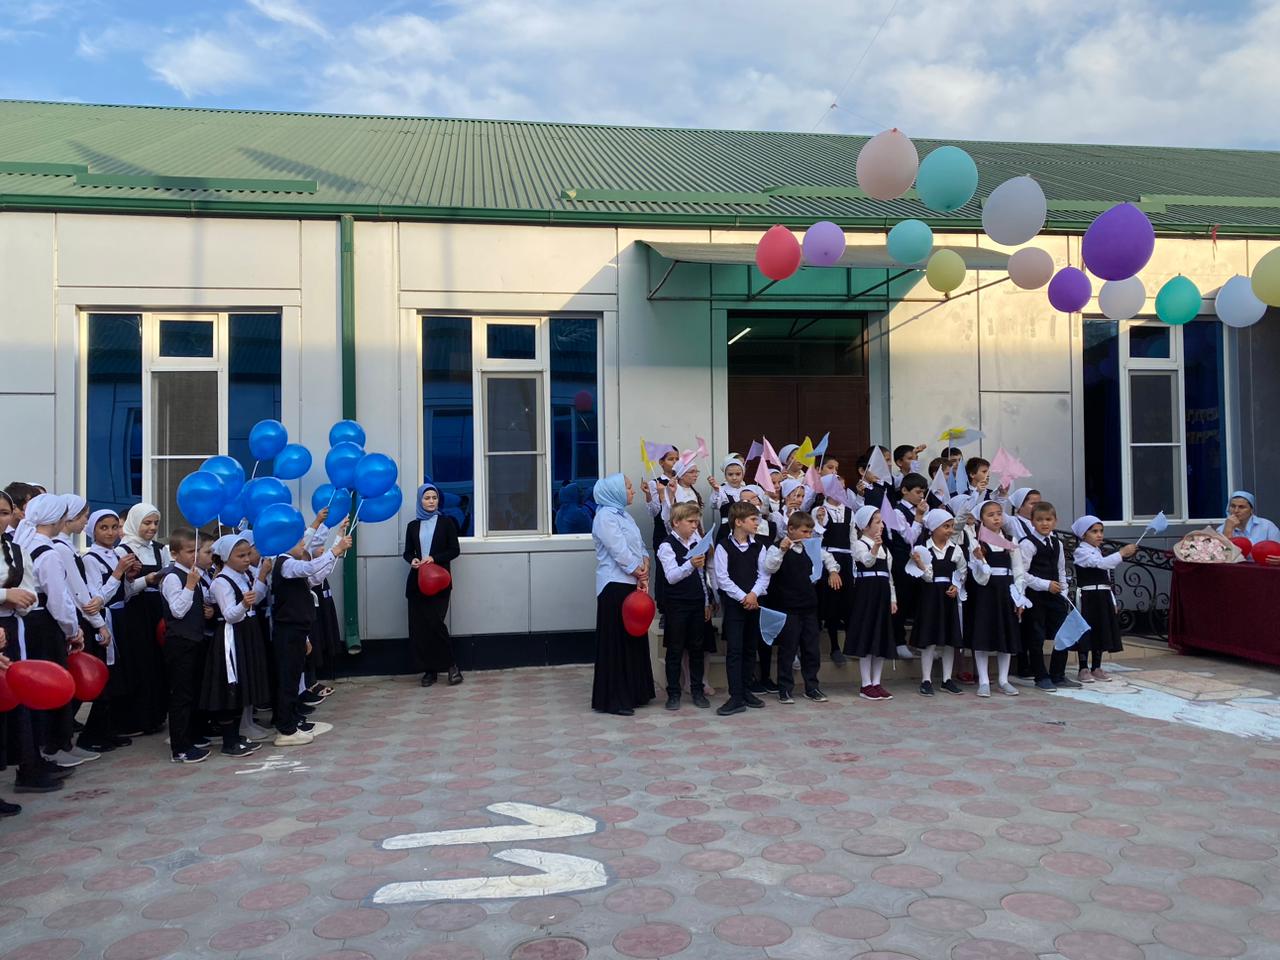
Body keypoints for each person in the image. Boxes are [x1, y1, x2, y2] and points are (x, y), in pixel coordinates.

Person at [0, 491, 65, 795]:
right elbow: (11, 593)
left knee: (18, 698)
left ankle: (27, 764)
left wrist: (19, 601)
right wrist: (5, 595)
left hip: (13, 628)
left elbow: (29, 595)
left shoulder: (16, 550)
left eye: (3, 513)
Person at [14, 494, 85, 766]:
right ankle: (56, 744)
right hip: (46, 624)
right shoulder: (48, 553)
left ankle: (43, 743)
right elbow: (59, 598)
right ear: (57, 519)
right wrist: (72, 629)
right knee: (54, 682)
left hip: (28, 621)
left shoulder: (24, 544)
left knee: (36, 684)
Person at [271, 512, 351, 746]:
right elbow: (309, 568)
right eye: (299, 541)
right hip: (287, 631)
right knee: (287, 680)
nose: (303, 544)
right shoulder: (285, 564)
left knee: (294, 677)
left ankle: (291, 720)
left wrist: (338, 540)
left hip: (297, 630)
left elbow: (317, 573)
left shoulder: (294, 564)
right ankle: (285, 729)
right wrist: (334, 550)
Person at [590, 473, 652, 716]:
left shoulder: (625, 515)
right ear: (614, 491)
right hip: (614, 585)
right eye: (628, 487)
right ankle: (615, 699)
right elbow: (619, 550)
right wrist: (638, 571)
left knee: (632, 639)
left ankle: (635, 692)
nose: (632, 491)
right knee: (616, 642)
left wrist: (645, 563)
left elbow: (638, 545)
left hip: (631, 582)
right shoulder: (605, 516)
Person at [764, 510, 841, 705]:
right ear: (791, 529)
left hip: (809, 606)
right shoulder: (776, 547)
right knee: (788, 649)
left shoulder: (811, 547)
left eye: (810, 532)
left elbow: (828, 558)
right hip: (788, 607)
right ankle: (784, 689)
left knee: (811, 649)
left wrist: (833, 571)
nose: (808, 535)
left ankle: (812, 687)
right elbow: (770, 567)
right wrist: (782, 550)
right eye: (805, 532)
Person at [207, 533, 273, 752]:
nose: (246, 560)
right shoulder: (222, 582)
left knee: (245, 682)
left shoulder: (243, 576)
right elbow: (229, 615)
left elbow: (255, 599)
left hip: (246, 632)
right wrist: (244, 604)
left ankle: (239, 733)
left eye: (247, 555)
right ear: (227, 557)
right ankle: (229, 740)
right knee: (232, 686)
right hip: (232, 637)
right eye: (241, 556)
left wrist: (260, 580)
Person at [77, 509, 136, 753]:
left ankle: (109, 729)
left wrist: (130, 578)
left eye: (114, 527)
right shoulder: (90, 559)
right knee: (105, 676)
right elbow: (96, 597)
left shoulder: (117, 555)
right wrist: (118, 573)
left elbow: (125, 593)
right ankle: (92, 734)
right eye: (104, 528)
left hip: (121, 617)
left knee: (119, 677)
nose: (111, 533)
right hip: (104, 619)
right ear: (92, 530)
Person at [158, 528, 215, 764]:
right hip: (180, 642)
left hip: (195, 639)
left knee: (193, 691)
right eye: (189, 551)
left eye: (196, 550)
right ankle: (179, 748)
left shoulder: (194, 574)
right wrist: (190, 586)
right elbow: (177, 611)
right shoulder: (174, 577)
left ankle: (192, 735)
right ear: (175, 553)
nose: (194, 555)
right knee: (181, 695)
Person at [967, 501, 1030, 697]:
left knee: (1006, 635)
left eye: (999, 513)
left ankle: (1003, 679)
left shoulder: (1011, 540)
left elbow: (1018, 570)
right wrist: (980, 560)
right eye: (990, 515)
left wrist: (1019, 597)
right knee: (983, 635)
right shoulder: (976, 542)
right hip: (986, 592)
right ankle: (984, 680)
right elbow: (978, 575)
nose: (996, 518)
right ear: (981, 519)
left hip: (1006, 591)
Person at [713, 501, 770, 716]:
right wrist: (743, 597)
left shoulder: (759, 547)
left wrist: (754, 594)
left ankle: (746, 690)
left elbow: (764, 575)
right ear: (738, 522)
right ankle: (735, 696)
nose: (757, 523)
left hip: (754, 604)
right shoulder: (723, 546)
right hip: (735, 606)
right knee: (735, 650)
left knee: (750, 648)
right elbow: (722, 578)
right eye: (753, 519)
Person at [116, 502, 168, 736]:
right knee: (139, 662)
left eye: (156, 523)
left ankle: (155, 716)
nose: (152, 527)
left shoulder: (159, 549)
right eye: (147, 523)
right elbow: (122, 590)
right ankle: (136, 719)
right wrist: (147, 580)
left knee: (157, 662)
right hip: (135, 613)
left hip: (156, 610)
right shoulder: (123, 550)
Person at [404, 482, 463, 688]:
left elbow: (454, 550)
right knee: (420, 628)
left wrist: (434, 558)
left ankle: (452, 666)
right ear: (420, 500)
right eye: (427, 498)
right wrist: (412, 560)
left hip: (439, 582)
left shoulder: (447, 522)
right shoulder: (413, 526)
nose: (431, 501)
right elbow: (407, 552)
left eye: (434, 498)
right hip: (417, 583)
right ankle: (430, 671)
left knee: (435, 624)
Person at [1019, 501, 1079, 691]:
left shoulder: (1057, 543)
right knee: (1036, 637)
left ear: (1055, 521)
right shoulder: (1027, 544)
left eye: (1048, 519)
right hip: (1035, 597)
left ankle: (1058, 674)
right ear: (1032, 521)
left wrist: (1063, 591)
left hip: (1056, 596)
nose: (1044, 523)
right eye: (1039, 520)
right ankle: (1041, 676)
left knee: (1063, 634)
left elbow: (1061, 569)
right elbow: (1022, 574)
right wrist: (1045, 585)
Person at [657, 502, 711, 711]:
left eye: (696, 522)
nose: (694, 526)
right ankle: (673, 693)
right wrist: (690, 564)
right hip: (677, 604)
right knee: (675, 648)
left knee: (697, 648)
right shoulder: (667, 546)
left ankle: (697, 690)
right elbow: (671, 576)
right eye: (690, 522)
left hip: (696, 601)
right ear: (676, 523)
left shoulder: (697, 541)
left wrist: (706, 601)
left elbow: (702, 575)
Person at [908, 509, 967, 696]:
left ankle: (947, 679)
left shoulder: (955, 549)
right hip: (930, 597)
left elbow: (962, 571)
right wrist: (920, 564)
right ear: (933, 528)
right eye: (945, 526)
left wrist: (956, 585)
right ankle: (926, 679)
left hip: (948, 598)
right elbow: (927, 576)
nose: (950, 530)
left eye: (951, 526)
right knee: (929, 639)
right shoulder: (923, 549)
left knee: (949, 640)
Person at [1071, 516, 1135, 682]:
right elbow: (1100, 564)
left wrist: (1112, 601)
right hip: (1088, 597)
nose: (1099, 535)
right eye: (1094, 531)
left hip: (1103, 595)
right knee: (1086, 631)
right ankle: (1083, 667)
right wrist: (1121, 553)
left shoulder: (1098, 551)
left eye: (1101, 531)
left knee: (1101, 629)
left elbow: (1106, 578)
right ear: (1083, 534)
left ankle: (1096, 666)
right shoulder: (1081, 552)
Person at [845, 505, 898, 701]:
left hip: (882, 593)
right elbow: (867, 562)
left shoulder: (885, 549)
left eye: (881, 521)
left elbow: (889, 576)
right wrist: (875, 547)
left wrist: (893, 598)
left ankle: (877, 682)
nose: (881, 525)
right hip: (867, 594)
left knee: (881, 636)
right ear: (865, 526)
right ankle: (866, 683)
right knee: (867, 635)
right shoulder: (860, 544)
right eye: (877, 522)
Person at [814, 488, 853, 665]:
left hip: (846, 559)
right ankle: (834, 647)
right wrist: (820, 520)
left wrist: (854, 563)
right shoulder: (820, 510)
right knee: (832, 603)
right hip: (828, 558)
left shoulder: (849, 512)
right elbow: (817, 535)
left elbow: (852, 538)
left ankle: (850, 645)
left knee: (848, 601)